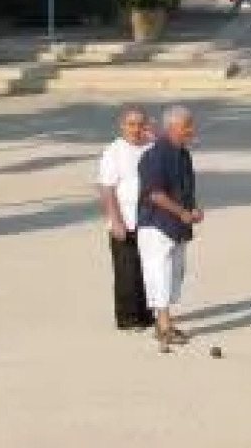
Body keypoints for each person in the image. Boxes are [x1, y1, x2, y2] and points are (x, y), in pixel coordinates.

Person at [137, 105, 203, 352]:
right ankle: (163, 326)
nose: (191, 130)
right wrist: (183, 213)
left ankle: (165, 319)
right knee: (159, 273)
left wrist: (194, 209)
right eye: (187, 125)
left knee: (177, 274)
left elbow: (187, 189)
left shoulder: (184, 155)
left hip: (178, 225)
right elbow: (155, 194)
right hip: (155, 224)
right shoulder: (154, 156)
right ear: (172, 127)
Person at [97, 105, 154, 331]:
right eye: (131, 124)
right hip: (124, 220)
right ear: (122, 126)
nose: (136, 129)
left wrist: (156, 138)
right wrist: (116, 220)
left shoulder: (151, 148)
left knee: (146, 270)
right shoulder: (114, 151)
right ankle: (128, 319)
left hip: (150, 220)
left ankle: (145, 314)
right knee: (126, 271)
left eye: (140, 124)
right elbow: (107, 188)